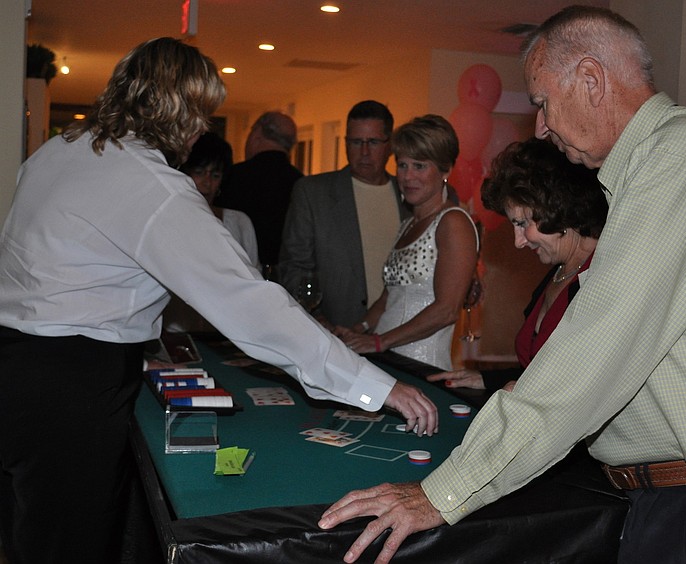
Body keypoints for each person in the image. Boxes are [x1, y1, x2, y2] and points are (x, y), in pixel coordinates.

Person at [318, 6, 686, 564]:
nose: (540, 125)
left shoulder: (680, 162)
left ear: (590, 79)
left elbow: (593, 351)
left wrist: (443, 492)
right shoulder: (674, 161)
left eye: (541, 102)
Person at [0, 37, 436, 564]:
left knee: (28, 531)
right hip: (72, 383)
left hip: (16, 364)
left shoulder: (59, 149)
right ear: (177, 110)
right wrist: (376, 385)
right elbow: (251, 305)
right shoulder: (154, 186)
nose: (202, 128)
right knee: (69, 545)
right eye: (201, 113)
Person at [427, 137, 607, 393]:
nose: (518, 242)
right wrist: (488, 379)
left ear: (557, 207)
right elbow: (535, 371)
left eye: (522, 224)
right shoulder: (557, 273)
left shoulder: (604, 276)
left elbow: (591, 384)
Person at [338, 114, 479, 371]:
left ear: (445, 170)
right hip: (386, 360)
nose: (407, 176)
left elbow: (447, 310)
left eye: (419, 166)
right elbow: (388, 299)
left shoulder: (453, 222)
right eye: (402, 165)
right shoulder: (407, 224)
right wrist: (356, 330)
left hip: (421, 365)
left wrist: (380, 341)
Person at [279, 100, 407, 328]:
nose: (364, 152)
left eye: (373, 142)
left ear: (390, 146)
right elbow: (294, 267)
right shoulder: (313, 193)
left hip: (402, 330)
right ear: (346, 143)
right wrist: (317, 318)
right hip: (338, 332)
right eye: (356, 142)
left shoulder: (409, 195)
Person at [163, 132, 260, 332]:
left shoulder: (239, 222)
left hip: (228, 334)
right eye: (199, 172)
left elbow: (254, 284)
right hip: (177, 333)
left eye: (215, 175)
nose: (207, 183)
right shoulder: (166, 221)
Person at [215, 110, 303, 276]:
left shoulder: (232, 177)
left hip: (237, 274)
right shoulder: (301, 184)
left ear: (256, 135)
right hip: (286, 277)